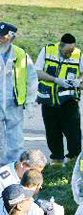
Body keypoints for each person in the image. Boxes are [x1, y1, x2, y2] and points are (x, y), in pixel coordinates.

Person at [35, 33, 83, 165]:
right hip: (49, 100)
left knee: (73, 133)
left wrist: (80, 80)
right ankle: (57, 161)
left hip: (68, 101)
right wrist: (56, 80)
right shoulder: (47, 50)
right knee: (52, 132)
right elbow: (37, 71)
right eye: (67, 51)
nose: (70, 54)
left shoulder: (78, 54)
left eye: (72, 50)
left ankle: (73, 161)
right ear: (60, 46)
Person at [0, 22, 38, 166]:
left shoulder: (20, 54)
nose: (0, 40)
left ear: (11, 37)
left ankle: (14, 166)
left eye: (3, 37)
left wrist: (30, 101)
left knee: (15, 136)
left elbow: (31, 79)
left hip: (13, 102)